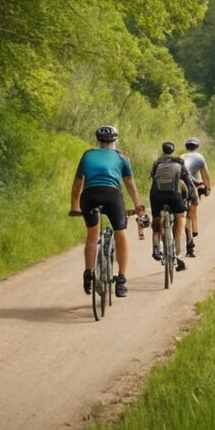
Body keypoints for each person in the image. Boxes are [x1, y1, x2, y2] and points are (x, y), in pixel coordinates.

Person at [69, 124, 147, 299]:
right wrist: (138, 206)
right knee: (121, 233)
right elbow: (130, 184)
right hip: (111, 196)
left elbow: (77, 183)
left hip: (89, 196)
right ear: (115, 140)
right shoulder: (122, 157)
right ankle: (121, 280)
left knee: (92, 236)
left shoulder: (87, 155)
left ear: (97, 140)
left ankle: (88, 273)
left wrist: (74, 206)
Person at [147, 141, 196, 271]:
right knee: (180, 218)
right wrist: (190, 196)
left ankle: (157, 247)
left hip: (156, 196)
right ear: (173, 151)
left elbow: (153, 178)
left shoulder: (157, 162)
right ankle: (177, 250)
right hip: (174, 196)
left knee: (157, 220)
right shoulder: (179, 163)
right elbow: (188, 182)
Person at [182, 137, 212, 257]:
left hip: (180, 183)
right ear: (197, 147)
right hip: (190, 184)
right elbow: (206, 175)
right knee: (191, 212)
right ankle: (193, 235)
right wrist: (208, 189)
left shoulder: (182, 157)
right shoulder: (199, 157)